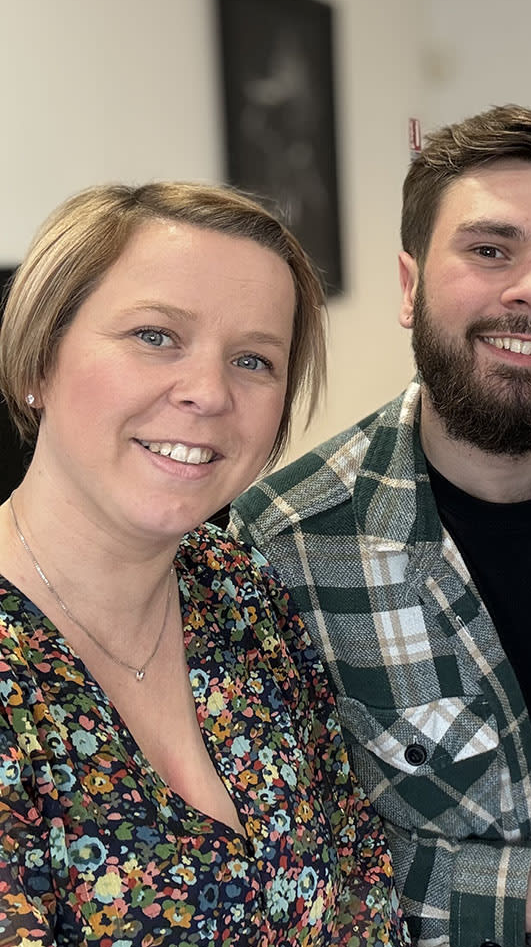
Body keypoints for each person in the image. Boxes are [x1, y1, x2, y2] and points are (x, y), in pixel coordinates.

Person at [230, 104, 531, 946]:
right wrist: (528, 895)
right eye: (490, 250)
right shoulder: (283, 549)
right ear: (410, 283)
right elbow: (290, 855)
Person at [0, 183, 410, 945]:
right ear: (40, 359)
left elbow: (358, 881)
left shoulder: (238, 587)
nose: (210, 393)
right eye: (156, 335)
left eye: (254, 359)